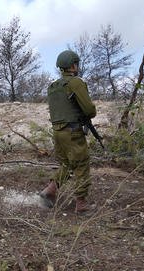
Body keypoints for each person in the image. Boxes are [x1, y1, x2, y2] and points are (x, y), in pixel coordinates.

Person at [39, 50, 97, 214]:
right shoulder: (75, 83)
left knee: (67, 164)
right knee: (81, 165)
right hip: (72, 132)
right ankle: (82, 204)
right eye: (76, 64)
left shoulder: (53, 87)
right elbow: (89, 110)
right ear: (73, 65)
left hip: (58, 132)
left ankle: (49, 191)